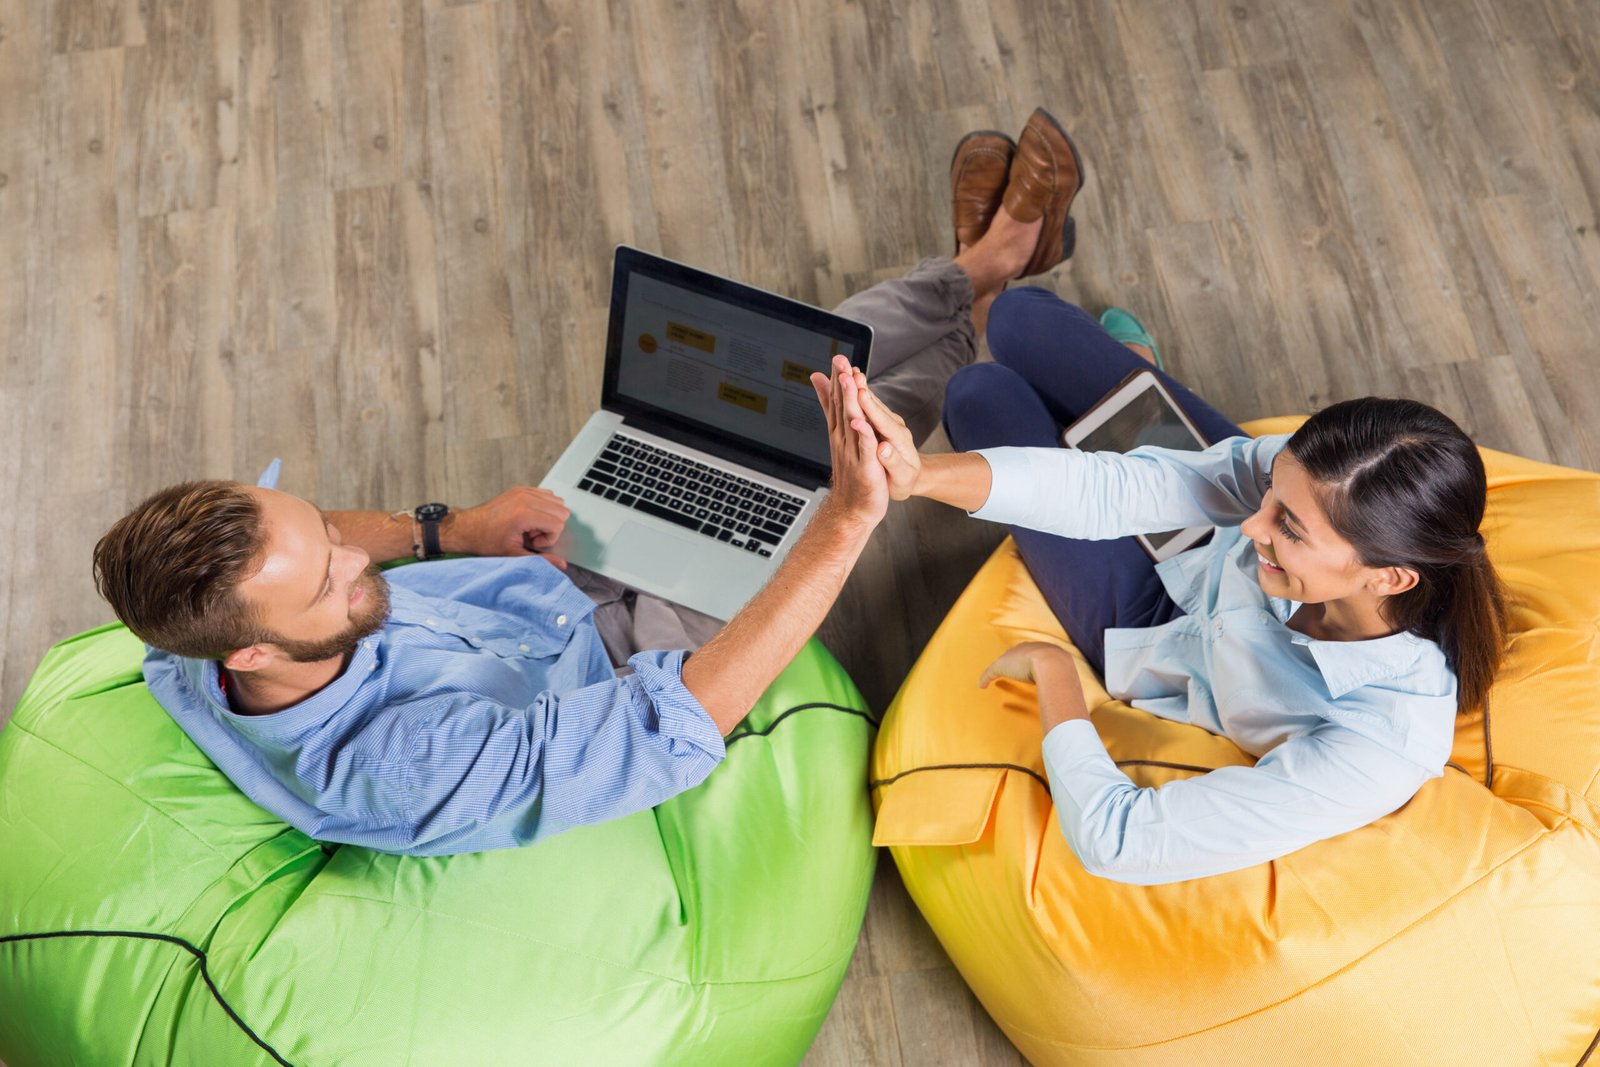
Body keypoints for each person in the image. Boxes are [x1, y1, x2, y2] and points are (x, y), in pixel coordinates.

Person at [90, 109, 1086, 857]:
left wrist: (450, 530)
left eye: (323, 530)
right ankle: (985, 285)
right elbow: (676, 728)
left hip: (539, 578)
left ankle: (974, 270)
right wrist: (847, 519)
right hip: (631, 656)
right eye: (329, 582)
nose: (356, 555)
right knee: (857, 437)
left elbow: (333, 545)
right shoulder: (402, 769)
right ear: (258, 647)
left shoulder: (195, 640)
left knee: (766, 391)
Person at [847, 251, 1509, 888]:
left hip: (1152, 621)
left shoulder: (1381, 742)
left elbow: (1119, 839)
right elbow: (1118, 492)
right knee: (1019, 316)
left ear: (1388, 577)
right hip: (1197, 531)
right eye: (1273, 493)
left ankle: (1129, 385)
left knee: (978, 394)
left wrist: (1056, 674)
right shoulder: (1304, 488)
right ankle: (1136, 380)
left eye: (1290, 527)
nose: (1254, 524)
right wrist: (919, 474)